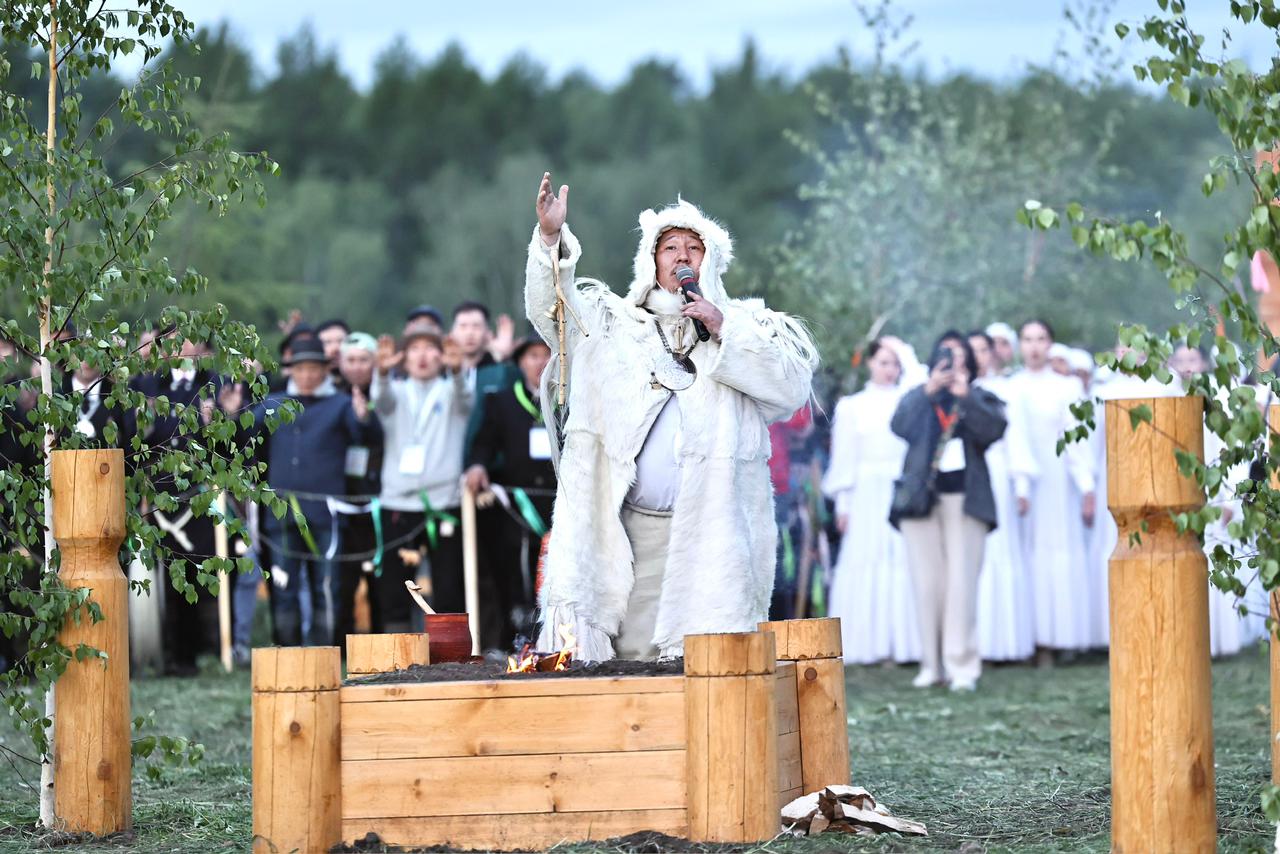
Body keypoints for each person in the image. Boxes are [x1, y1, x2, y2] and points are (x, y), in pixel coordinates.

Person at [526, 172, 818, 660]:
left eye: (693, 248)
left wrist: (723, 328)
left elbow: (791, 389)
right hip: (627, 533)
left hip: (713, 534)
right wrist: (551, 239)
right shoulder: (610, 324)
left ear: (712, 261)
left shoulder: (749, 329)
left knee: (711, 670)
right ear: (651, 261)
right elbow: (550, 311)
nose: (682, 257)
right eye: (670, 248)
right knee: (630, 665)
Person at [222, 335, 381, 646]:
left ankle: (327, 652)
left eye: (313, 368)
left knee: (326, 587)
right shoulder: (274, 403)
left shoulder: (341, 404)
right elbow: (243, 439)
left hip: (327, 515)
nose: (307, 375)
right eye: (301, 368)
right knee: (283, 587)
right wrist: (232, 415)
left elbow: (366, 436)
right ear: (291, 369)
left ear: (325, 370)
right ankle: (287, 653)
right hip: (280, 514)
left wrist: (363, 417)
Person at [890, 332, 1007, 691]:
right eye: (947, 356)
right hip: (920, 501)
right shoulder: (919, 396)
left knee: (961, 584)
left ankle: (962, 666)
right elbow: (899, 426)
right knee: (927, 584)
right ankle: (930, 664)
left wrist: (964, 395)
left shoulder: (981, 397)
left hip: (966, 500)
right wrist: (929, 390)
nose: (953, 364)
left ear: (969, 364)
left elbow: (994, 429)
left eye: (960, 357)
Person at [821, 339, 920, 665]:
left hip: (899, 488)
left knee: (901, 558)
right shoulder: (852, 406)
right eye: (882, 362)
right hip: (865, 492)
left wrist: (903, 349)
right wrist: (844, 505)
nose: (888, 369)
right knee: (865, 557)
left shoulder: (908, 399)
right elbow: (845, 459)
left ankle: (904, 645)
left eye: (894, 363)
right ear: (870, 363)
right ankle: (865, 644)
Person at [1006, 320, 1097, 664]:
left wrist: (1086, 487)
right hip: (1026, 479)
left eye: (1040, 339)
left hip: (1059, 479)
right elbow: (1012, 438)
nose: (1033, 346)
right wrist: (1021, 483)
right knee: (1029, 555)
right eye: (1027, 339)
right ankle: (1033, 640)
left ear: (1051, 344)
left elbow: (1077, 440)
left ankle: (1063, 637)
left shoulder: (1069, 386)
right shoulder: (1012, 387)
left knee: (1060, 551)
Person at [372, 327, 472, 630]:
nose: (423, 355)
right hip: (398, 503)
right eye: (415, 348)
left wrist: (457, 371)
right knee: (395, 586)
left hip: (443, 502)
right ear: (404, 356)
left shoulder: (450, 391)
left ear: (442, 356)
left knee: (448, 585)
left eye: (431, 348)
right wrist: (382, 373)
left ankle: (448, 654)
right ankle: (398, 655)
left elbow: (465, 398)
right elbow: (381, 401)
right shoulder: (396, 391)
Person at [464, 336, 557, 650]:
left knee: (554, 570)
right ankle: (514, 640)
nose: (540, 362)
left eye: (547, 355)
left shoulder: (568, 401)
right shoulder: (502, 400)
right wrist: (477, 466)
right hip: (515, 505)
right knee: (514, 571)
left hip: (559, 502)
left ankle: (556, 637)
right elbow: (484, 443)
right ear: (520, 363)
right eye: (532, 356)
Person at [968, 330, 1037, 662]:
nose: (979, 356)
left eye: (984, 350)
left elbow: (1016, 439)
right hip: (963, 477)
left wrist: (1021, 484)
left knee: (1000, 551)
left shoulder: (1007, 390)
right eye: (973, 350)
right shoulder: (955, 390)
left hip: (996, 475)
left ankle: (1004, 643)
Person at [334, 332, 385, 641]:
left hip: (379, 497)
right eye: (350, 360)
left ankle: (382, 641)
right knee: (343, 579)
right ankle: (341, 643)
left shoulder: (387, 392)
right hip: (341, 498)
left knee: (380, 577)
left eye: (364, 360)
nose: (357, 367)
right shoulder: (334, 397)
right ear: (340, 363)